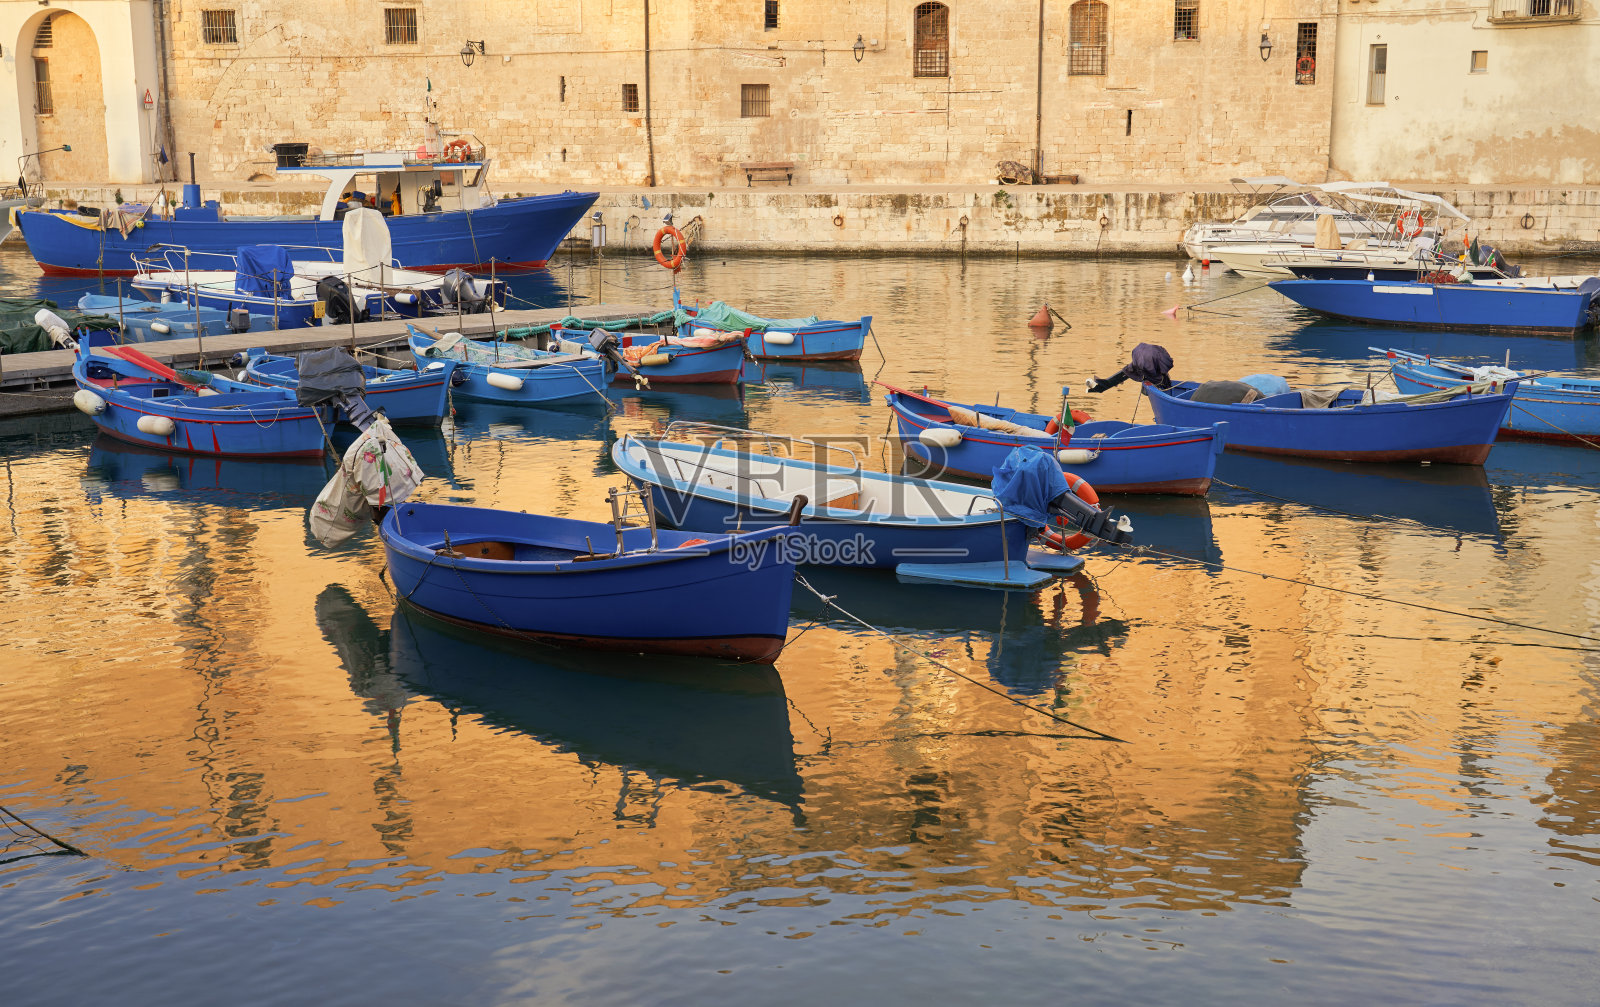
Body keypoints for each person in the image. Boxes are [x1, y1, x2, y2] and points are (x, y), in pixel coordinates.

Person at [1085, 342, 1173, 394]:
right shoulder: (1161, 362)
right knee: (1126, 373)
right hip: (1144, 359)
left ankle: (1098, 387)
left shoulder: (1158, 359)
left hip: (1139, 354)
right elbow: (1155, 373)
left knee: (1125, 372)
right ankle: (1098, 387)